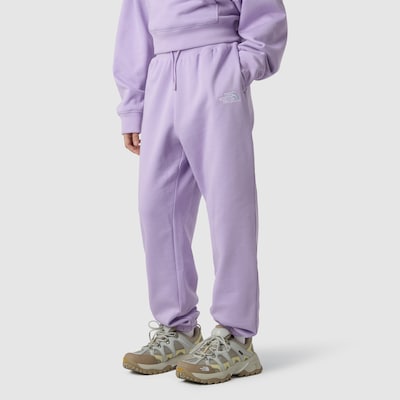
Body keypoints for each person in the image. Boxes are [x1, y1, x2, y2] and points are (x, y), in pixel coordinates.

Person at [113, 0, 287, 384]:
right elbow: (134, 27)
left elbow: (265, 14)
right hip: (161, 72)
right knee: (157, 208)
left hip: (216, 65)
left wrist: (240, 68)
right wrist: (133, 106)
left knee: (229, 205)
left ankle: (236, 336)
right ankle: (177, 328)